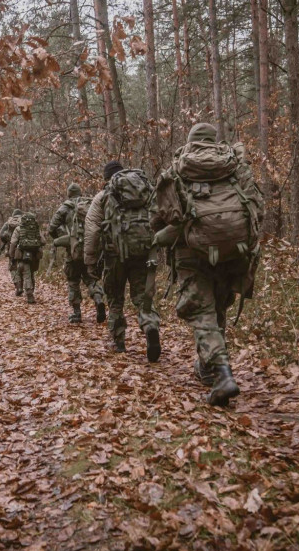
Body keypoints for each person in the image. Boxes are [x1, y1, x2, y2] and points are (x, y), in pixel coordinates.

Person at [153, 122, 263, 406]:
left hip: (192, 253)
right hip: (233, 250)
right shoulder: (233, 166)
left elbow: (163, 214)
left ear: (190, 141)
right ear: (215, 141)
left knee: (202, 313)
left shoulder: (179, 167)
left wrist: (160, 233)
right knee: (217, 307)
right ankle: (208, 367)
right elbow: (256, 208)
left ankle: (222, 374)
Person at [84, 160, 161, 361]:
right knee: (142, 297)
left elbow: (92, 231)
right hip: (143, 254)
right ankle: (150, 325)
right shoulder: (145, 191)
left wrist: (90, 261)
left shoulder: (103, 196)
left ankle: (119, 342)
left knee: (116, 299)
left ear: (106, 177)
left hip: (114, 256)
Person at [48, 183, 106, 324]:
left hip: (73, 250)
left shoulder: (65, 207)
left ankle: (77, 313)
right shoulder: (91, 203)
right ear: (80, 192)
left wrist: (64, 238)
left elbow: (52, 227)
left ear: (69, 194)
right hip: (91, 249)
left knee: (73, 280)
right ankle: (98, 299)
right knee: (90, 278)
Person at [8, 211, 43, 303]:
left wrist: (11, 255)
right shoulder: (36, 229)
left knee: (26, 273)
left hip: (22, 255)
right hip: (35, 255)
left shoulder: (18, 229)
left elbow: (13, 243)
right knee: (31, 274)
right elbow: (43, 241)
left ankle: (29, 294)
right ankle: (30, 291)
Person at [0, 209, 24, 296]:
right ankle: (25, 286)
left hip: (12, 248)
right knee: (24, 267)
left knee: (13, 267)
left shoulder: (8, 223)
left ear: (13, 215)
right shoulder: (25, 221)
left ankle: (18, 286)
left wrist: (7, 240)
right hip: (25, 247)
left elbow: (1, 234)